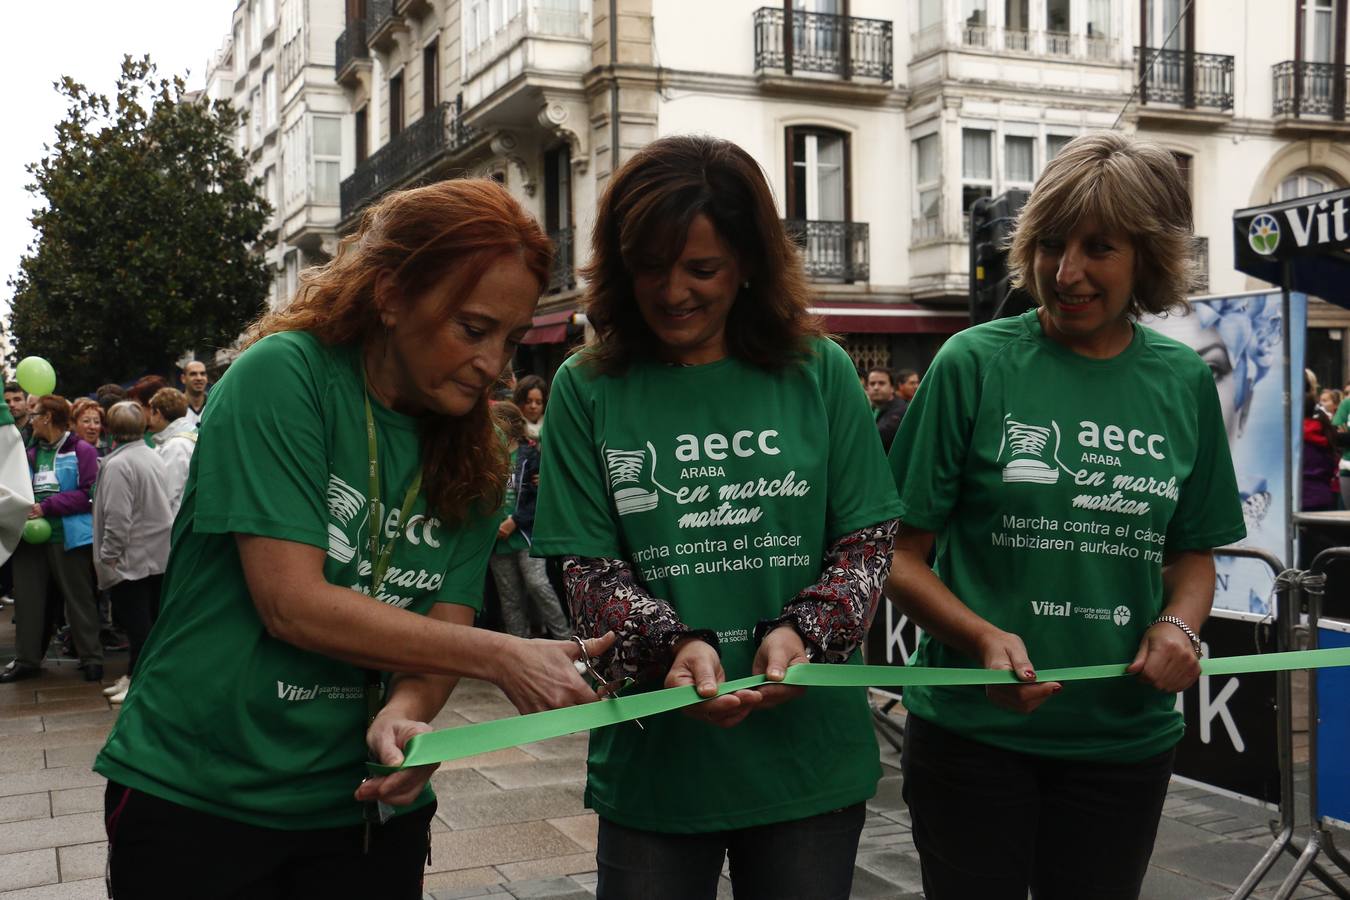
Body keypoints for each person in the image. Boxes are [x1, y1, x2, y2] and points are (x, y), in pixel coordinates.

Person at [93, 178, 614, 898]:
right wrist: (503, 654)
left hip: (365, 813)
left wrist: (409, 716)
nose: (493, 363)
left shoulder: (477, 453)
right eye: (472, 328)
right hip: (200, 795)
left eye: (512, 338)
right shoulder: (285, 375)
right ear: (392, 296)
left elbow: (441, 627)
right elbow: (292, 603)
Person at [531, 135, 902, 900]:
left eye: (700, 268)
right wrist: (670, 645)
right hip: (658, 761)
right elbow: (583, 566)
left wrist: (807, 631)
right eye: (649, 268)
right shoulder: (586, 386)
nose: (672, 293)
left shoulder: (820, 369)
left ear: (749, 264)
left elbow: (866, 542)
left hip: (807, 758)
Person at [885, 132, 1246, 900]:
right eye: (1050, 243)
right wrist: (979, 637)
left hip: (1122, 740)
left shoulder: (1183, 381)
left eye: (1099, 248)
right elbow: (898, 555)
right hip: (972, 738)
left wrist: (1181, 628)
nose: (1066, 271)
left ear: (1146, 258)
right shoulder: (972, 364)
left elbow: (1192, 554)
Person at [1, 395, 104, 683]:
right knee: (28, 600)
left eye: (35, 415)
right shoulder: (29, 452)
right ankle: (27, 660)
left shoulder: (81, 450)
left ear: (47, 418)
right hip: (30, 537)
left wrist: (48, 506)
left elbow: (88, 493)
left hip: (66, 537)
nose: (30, 420)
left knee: (79, 598)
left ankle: (92, 658)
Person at [91, 401, 173, 704]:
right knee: (146, 623)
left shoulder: (118, 465)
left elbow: (117, 518)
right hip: (155, 555)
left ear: (109, 428)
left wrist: (108, 557)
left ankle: (139, 681)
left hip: (132, 560)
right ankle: (135, 676)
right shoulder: (152, 456)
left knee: (138, 627)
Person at [487, 401, 569, 639]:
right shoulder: (487, 456)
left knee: (537, 584)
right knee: (510, 597)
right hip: (496, 538)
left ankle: (566, 641)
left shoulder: (529, 454)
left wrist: (516, 520)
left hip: (525, 534)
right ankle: (518, 647)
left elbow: (539, 496)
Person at [145, 387, 198, 514]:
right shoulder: (189, 435)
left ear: (157, 414)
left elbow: (164, 496)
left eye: (151, 412)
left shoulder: (176, 446)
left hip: (175, 523)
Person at [865, 367, 906, 453]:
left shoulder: (900, 409)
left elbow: (880, 436)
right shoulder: (871, 408)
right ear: (867, 388)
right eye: (872, 384)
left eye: (881, 383)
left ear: (892, 388)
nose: (876, 387)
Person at [513, 374, 548, 440]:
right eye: (528, 401)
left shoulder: (549, 427)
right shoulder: (513, 429)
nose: (533, 406)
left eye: (538, 402)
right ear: (520, 401)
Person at [181, 360, 210, 426]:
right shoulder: (174, 406)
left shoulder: (214, 404)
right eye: (193, 374)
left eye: (202, 374)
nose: (199, 378)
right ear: (183, 378)